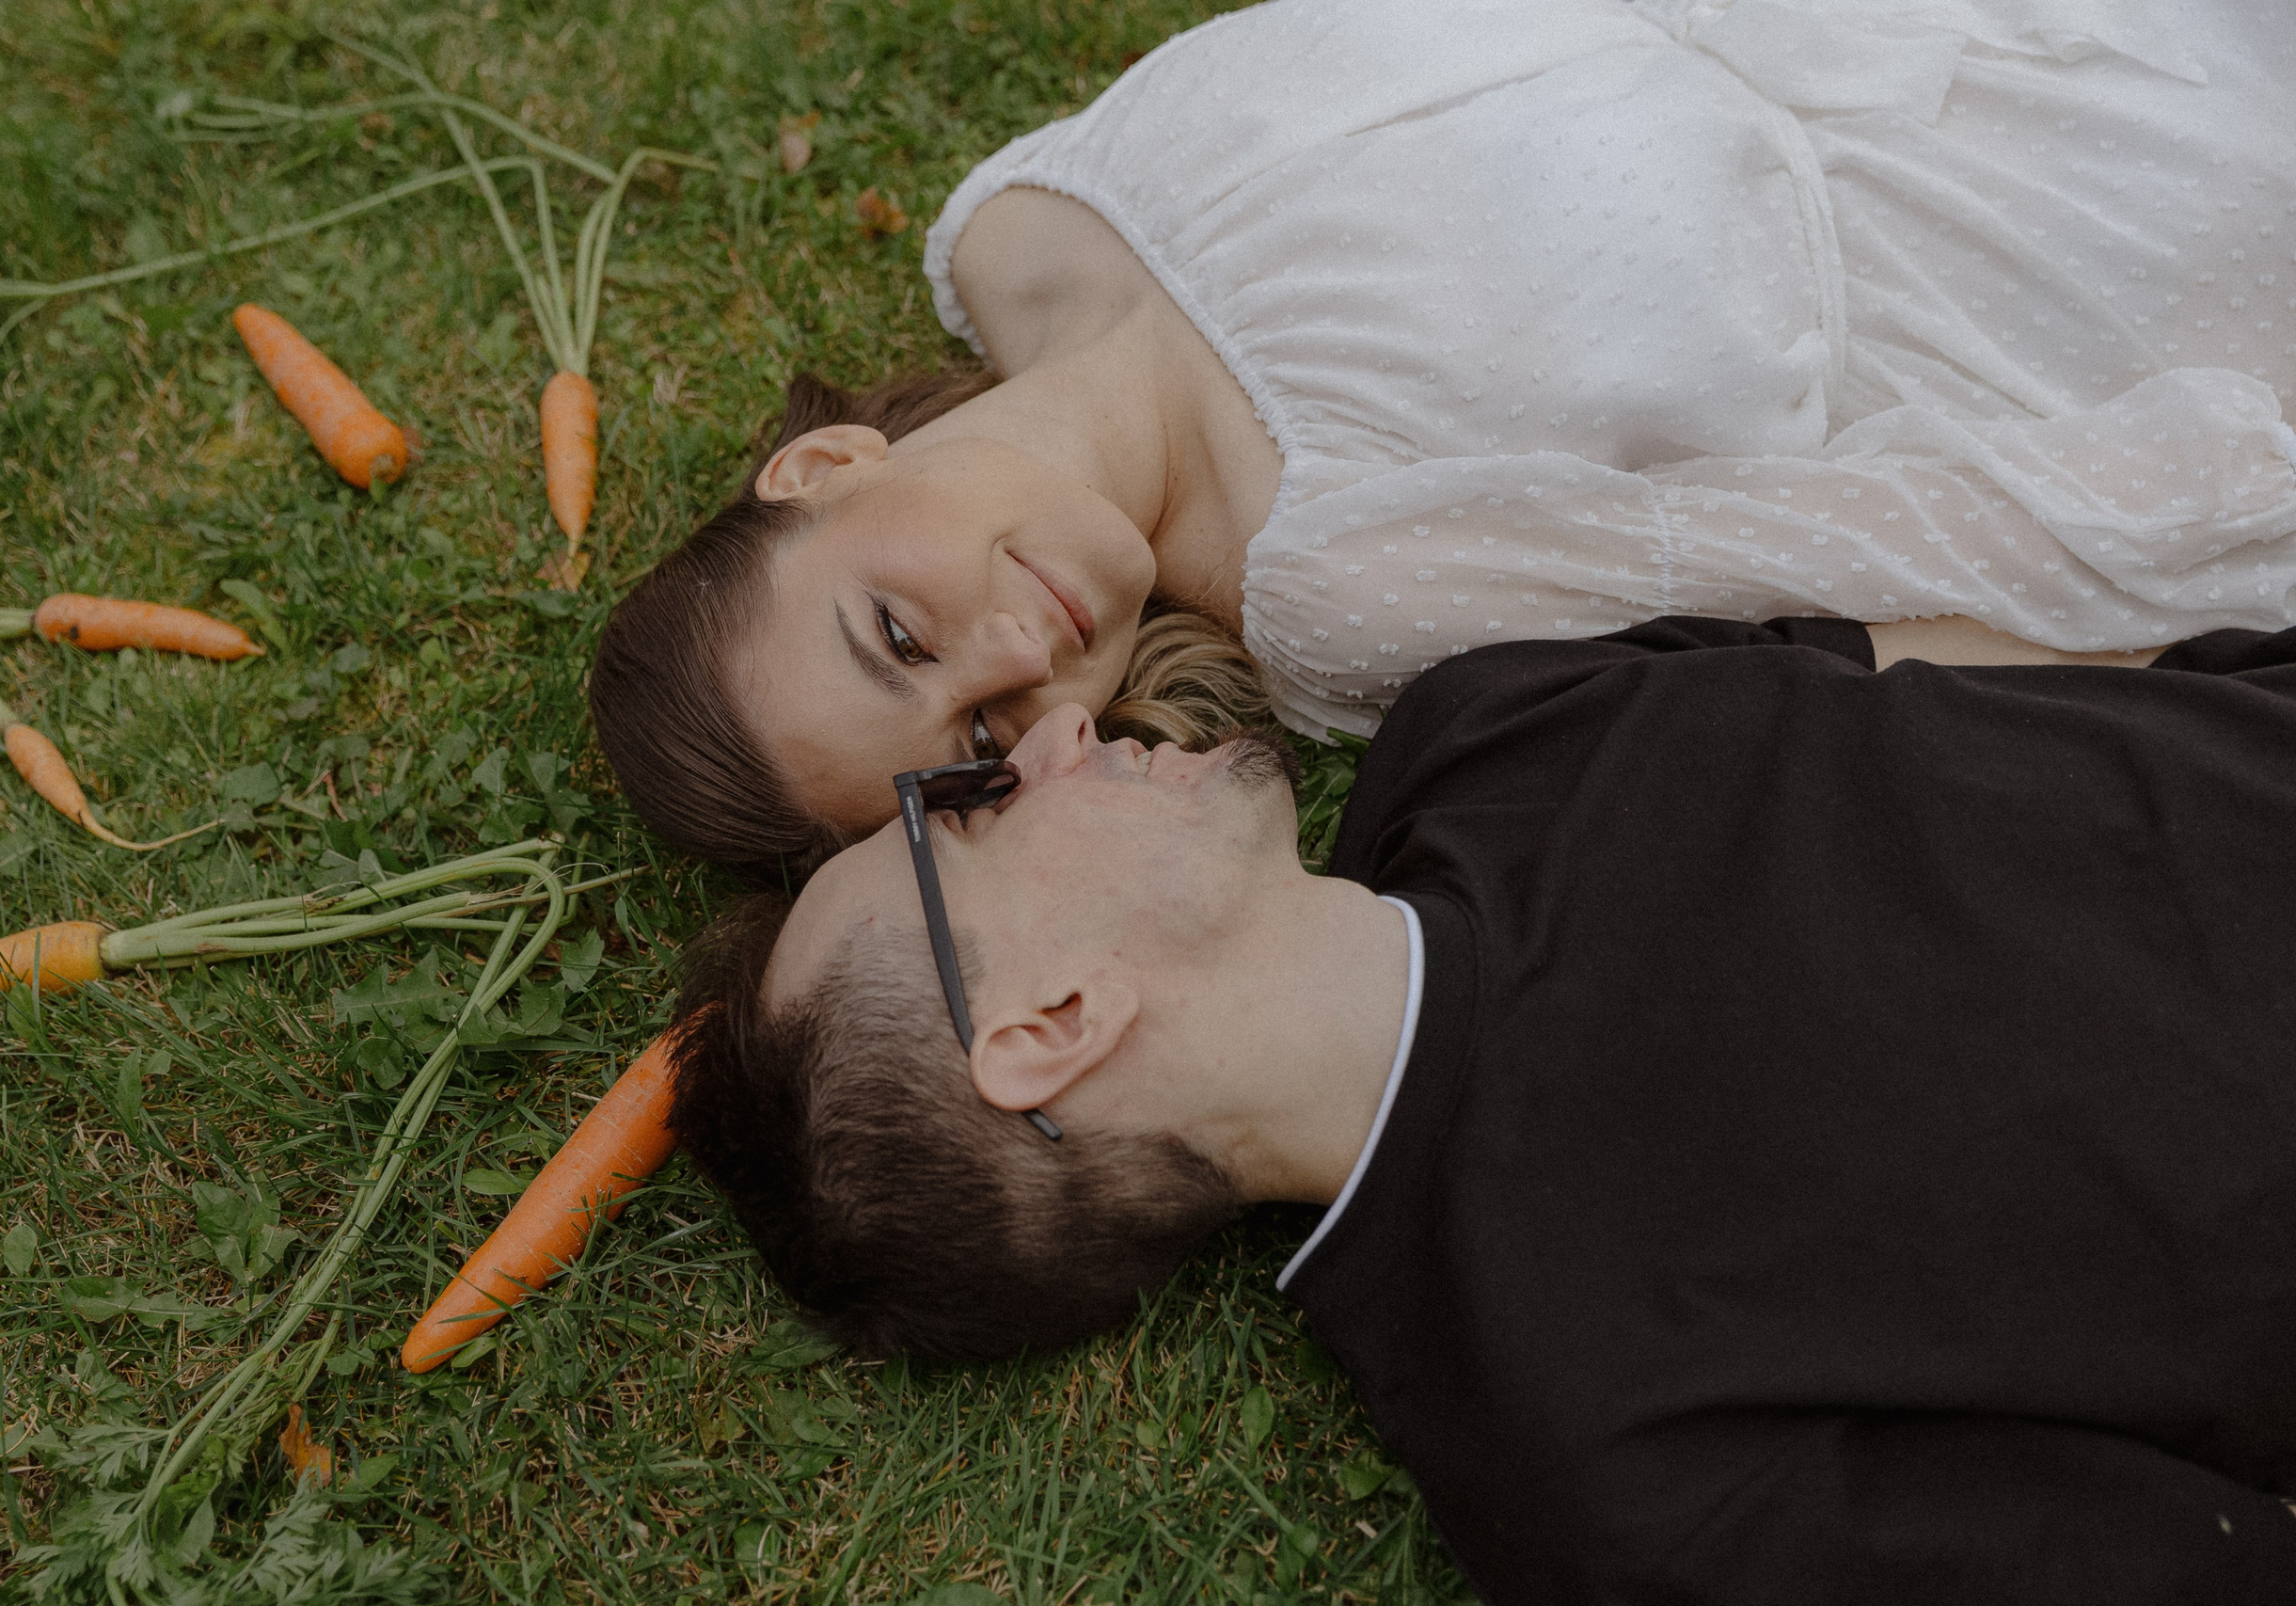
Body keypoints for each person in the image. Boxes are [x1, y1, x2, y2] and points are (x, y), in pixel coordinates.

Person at [663, 618, 2296, 1601]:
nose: (1056, 730)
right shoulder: (1605, 1467)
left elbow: (2021, 661)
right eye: (965, 807)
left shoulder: (1481, 725)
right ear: (1052, 1027)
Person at [592, 0, 2296, 870]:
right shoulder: (1342, 580)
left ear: (824, 473)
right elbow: (1843, 550)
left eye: (899, 634)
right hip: (2100, 225)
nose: (1016, 662)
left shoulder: (1013, 226)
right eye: (984, 734)